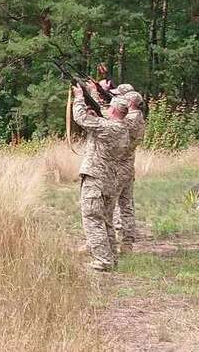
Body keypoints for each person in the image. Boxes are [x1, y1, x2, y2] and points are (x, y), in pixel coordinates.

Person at [72, 85, 130, 271]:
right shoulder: (123, 129)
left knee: (92, 218)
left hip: (96, 179)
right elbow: (102, 126)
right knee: (106, 221)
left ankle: (102, 261)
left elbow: (79, 118)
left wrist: (79, 97)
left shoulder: (106, 126)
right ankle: (111, 258)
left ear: (113, 110)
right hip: (110, 180)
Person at [114, 89, 146, 253]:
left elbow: (112, 121)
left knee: (113, 205)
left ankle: (115, 242)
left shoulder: (131, 120)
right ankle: (127, 242)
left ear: (131, 103)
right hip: (127, 167)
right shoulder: (137, 118)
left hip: (119, 167)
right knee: (126, 205)